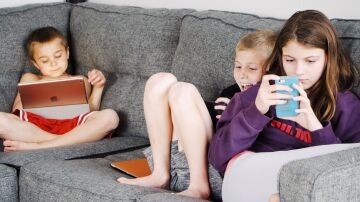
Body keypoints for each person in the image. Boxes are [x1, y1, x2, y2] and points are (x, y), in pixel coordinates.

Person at [208, 10, 360, 201]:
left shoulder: (345, 105)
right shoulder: (255, 95)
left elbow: (350, 173)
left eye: (310, 61)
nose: (298, 71)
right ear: (280, 57)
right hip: (248, 177)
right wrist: (257, 111)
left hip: (304, 186)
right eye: (289, 60)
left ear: (328, 58)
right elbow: (217, 157)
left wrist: (316, 129)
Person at [117, 30, 277, 200]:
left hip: (214, 174)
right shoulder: (230, 93)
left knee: (183, 90)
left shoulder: (270, 102)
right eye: (238, 66)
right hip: (179, 162)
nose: (242, 74)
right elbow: (200, 123)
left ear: (270, 71)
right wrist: (222, 111)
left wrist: (238, 113)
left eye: (252, 68)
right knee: (161, 79)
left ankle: (199, 187)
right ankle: (159, 174)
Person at [0, 26, 119, 151]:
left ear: (67, 53)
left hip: (72, 126)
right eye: (45, 60)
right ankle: (64, 141)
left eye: (58, 56)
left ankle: (40, 145)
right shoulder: (30, 78)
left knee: (111, 117)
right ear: (36, 64)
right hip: (35, 127)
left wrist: (98, 87)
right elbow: (17, 110)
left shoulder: (80, 80)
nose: (53, 63)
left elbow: (89, 110)